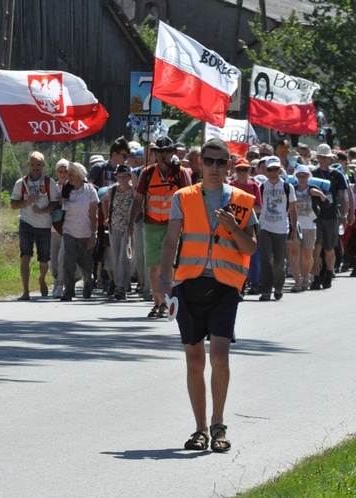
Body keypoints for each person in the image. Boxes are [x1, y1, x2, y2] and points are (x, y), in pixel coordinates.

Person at [156, 138, 257, 453]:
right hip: (188, 284)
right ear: (199, 164)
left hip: (225, 286)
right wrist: (162, 281)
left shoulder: (242, 200)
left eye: (221, 162)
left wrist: (232, 228)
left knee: (219, 356)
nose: (215, 167)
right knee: (194, 359)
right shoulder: (183, 197)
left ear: (229, 165)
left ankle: (218, 425)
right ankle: (199, 429)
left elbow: (251, 247)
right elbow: (171, 239)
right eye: (209, 161)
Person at [128, 136, 192, 318]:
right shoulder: (147, 174)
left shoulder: (181, 174)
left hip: (173, 226)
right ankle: (157, 303)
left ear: (172, 153)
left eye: (167, 151)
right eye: (159, 152)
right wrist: (130, 223)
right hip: (151, 225)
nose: (163, 155)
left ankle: (166, 302)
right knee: (154, 266)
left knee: (169, 264)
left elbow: (189, 199)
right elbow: (138, 199)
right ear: (154, 154)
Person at [10, 151, 60, 301]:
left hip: (44, 225)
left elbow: (55, 203)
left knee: (44, 259)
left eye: (38, 165)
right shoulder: (21, 183)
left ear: (43, 165)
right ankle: (26, 291)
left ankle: (42, 278)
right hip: (26, 223)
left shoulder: (49, 182)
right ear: (28, 165)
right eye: (33, 164)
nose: (35, 167)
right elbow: (13, 204)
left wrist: (42, 211)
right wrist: (25, 202)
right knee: (25, 256)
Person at [310, 143, 353, 290]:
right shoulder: (313, 173)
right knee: (316, 248)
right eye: (320, 156)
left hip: (331, 216)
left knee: (329, 248)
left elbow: (343, 197)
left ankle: (329, 273)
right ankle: (316, 278)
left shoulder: (337, 174)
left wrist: (344, 216)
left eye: (325, 157)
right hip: (315, 216)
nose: (323, 159)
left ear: (330, 159)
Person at [258, 156, 297, 301]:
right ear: (266, 171)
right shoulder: (262, 187)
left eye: (276, 169)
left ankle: (278, 287)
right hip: (265, 227)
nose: (273, 172)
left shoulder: (287, 187)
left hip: (281, 228)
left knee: (280, 263)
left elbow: (293, 209)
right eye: (270, 169)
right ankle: (266, 289)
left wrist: (293, 229)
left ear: (280, 170)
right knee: (265, 259)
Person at [60, 162, 99, 300]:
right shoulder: (66, 189)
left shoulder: (90, 191)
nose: (69, 176)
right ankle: (68, 291)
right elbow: (62, 207)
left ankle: (88, 282)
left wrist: (93, 234)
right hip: (69, 230)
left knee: (85, 263)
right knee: (68, 262)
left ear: (79, 175)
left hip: (85, 232)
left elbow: (94, 215)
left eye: (72, 173)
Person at [290, 164, 328, 291]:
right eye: (300, 175)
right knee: (294, 254)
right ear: (296, 176)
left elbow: (327, 204)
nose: (302, 178)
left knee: (307, 255)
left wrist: (320, 194)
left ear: (308, 176)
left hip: (310, 226)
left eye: (304, 176)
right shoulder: (291, 189)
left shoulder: (313, 189)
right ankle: (297, 281)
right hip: (295, 226)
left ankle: (306, 276)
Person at [229, 158, 262, 296]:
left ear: (249, 170)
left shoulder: (254, 187)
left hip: (249, 224)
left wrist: (244, 209)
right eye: (239, 169)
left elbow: (259, 207)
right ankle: (239, 285)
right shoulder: (230, 185)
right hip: (233, 224)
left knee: (252, 255)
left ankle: (254, 283)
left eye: (245, 169)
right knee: (235, 256)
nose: (242, 172)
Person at [103, 164, 135, 301]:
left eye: (125, 177)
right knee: (115, 257)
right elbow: (104, 201)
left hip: (128, 227)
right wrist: (106, 216)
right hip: (114, 226)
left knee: (124, 257)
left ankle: (122, 287)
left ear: (129, 177)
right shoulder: (112, 190)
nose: (122, 179)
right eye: (119, 176)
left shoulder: (134, 190)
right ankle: (118, 283)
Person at [50, 158, 70, 298]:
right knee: (54, 257)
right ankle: (56, 278)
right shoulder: (53, 187)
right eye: (60, 171)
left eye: (65, 171)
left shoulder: (73, 188)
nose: (63, 174)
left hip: (68, 227)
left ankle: (61, 283)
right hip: (53, 227)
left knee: (63, 256)